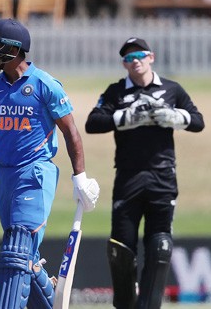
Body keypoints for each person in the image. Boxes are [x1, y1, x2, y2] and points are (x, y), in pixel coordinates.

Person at [0, 18, 100, 308]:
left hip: (35, 172)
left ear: (13, 49)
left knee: (17, 248)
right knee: (24, 256)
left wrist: (80, 177)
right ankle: (48, 295)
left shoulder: (45, 84)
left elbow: (71, 130)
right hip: (3, 178)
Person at [84, 37, 204, 309]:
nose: (134, 60)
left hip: (163, 176)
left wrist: (174, 117)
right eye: (128, 57)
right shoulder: (116, 92)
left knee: (160, 246)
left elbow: (198, 121)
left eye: (139, 55)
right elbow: (93, 122)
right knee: (121, 249)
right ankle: (125, 304)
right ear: (124, 64)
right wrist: (126, 118)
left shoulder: (172, 89)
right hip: (128, 176)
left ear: (151, 57)